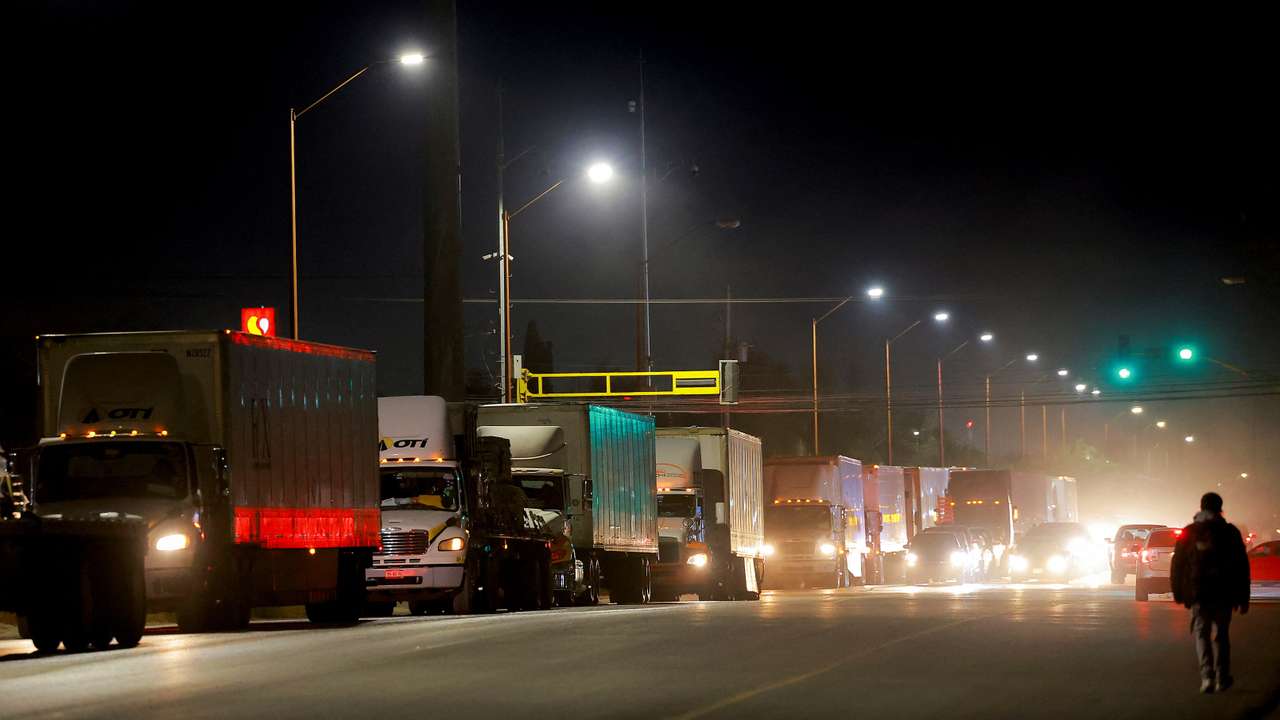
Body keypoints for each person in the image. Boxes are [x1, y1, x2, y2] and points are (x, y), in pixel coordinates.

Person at [1170, 492, 1251, 694]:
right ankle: (1222, 677)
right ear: (1220, 507)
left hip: (1198, 593)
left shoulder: (1189, 532)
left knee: (1201, 634)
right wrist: (1243, 597)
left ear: (1201, 507)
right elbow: (1241, 566)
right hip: (1223, 593)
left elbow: (1178, 565)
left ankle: (1207, 677)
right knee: (1222, 636)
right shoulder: (1230, 532)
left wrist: (1178, 592)